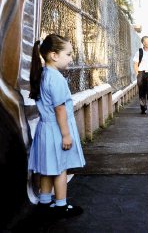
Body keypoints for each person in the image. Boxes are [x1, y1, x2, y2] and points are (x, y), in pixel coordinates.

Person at [28, 34, 86, 218]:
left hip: (44, 130)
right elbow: (60, 110)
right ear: (54, 55)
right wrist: (66, 135)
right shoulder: (56, 78)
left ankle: (45, 201)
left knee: (46, 167)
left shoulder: (43, 74)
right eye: (68, 54)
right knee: (60, 168)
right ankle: (61, 205)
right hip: (56, 130)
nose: (71, 58)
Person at [133, 36, 148, 115]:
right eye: (147, 41)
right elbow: (135, 64)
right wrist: (137, 74)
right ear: (143, 43)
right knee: (142, 92)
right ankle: (143, 108)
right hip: (141, 74)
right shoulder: (139, 52)